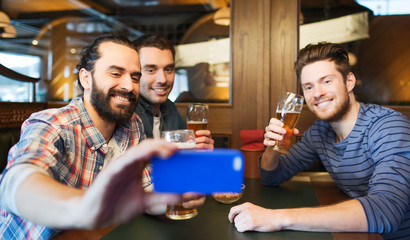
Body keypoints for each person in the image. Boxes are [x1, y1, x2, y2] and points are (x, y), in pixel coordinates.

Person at [0, 34, 183, 239]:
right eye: (115, 73)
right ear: (86, 78)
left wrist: (179, 194)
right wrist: (85, 206)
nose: (129, 86)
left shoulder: (132, 125)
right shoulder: (53, 124)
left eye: (135, 77)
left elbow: (147, 186)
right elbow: (18, 181)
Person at [228, 42, 410, 239]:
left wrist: (277, 218)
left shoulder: (387, 126)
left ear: (349, 82)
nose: (317, 93)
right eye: (308, 86)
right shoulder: (320, 132)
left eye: (326, 81)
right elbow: (271, 177)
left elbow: (386, 211)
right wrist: (272, 147)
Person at [133, 34, 214, 148]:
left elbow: (180, 159)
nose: (163, 79)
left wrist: (199, 151)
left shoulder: (170, 109)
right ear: (134, 73)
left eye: (168, 69)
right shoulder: (128, 113)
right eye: (151, 70)